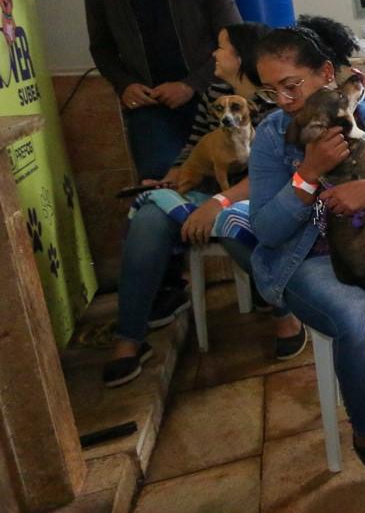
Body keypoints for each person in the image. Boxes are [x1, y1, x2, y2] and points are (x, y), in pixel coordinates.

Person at [249, 22, 365, 495]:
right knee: (359, 320)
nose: (286, 101)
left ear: (326, 73)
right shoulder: (277, 136)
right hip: (306, 259)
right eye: (273, 92)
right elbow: (268, 230)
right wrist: (308, 174)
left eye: (292, 85)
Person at [102, 21, 299, 386]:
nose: (213, 54)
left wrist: (218, 203)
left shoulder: (277, 100)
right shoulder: (218, 92)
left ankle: (285, 314)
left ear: (241, 57)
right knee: (148, 215)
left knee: (230, 223)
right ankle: (129, 338)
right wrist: (175, 174)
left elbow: (273, 174)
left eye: (221, 48)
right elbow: (197, 142)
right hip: (209, 185)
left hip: (256, 193)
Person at [85, 0, 242, 180]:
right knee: (160, 181)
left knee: (219, 178)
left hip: (211, 102)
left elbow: (236, 43)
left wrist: (191, 85)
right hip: (149, 108)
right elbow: (101, 48)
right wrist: (125, 84)